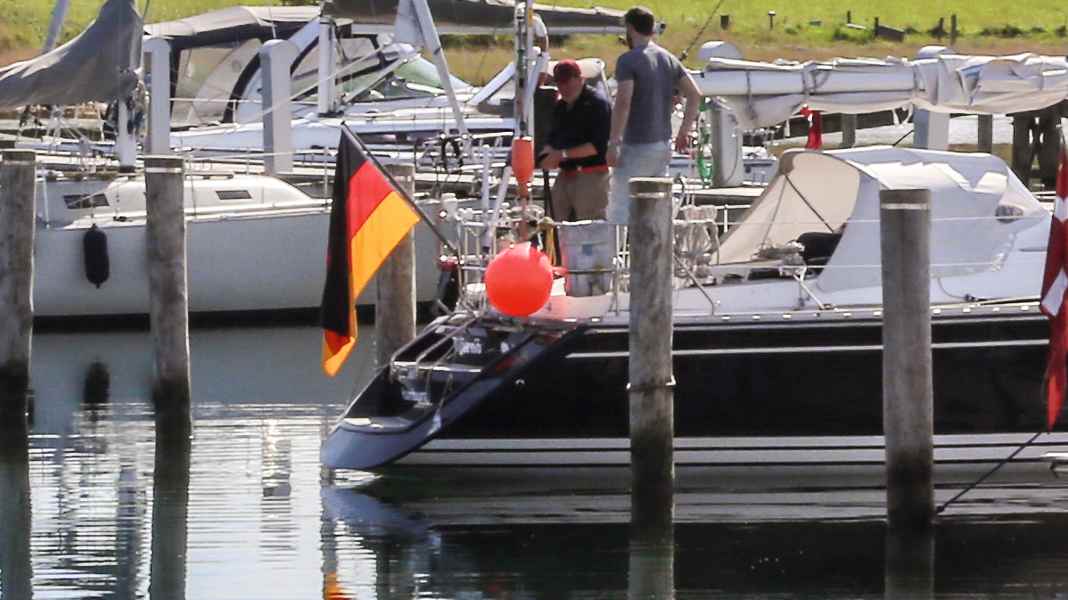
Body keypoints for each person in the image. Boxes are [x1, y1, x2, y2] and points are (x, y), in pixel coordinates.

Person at [606, 6, 701, 224]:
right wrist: (684, 131)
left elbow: (623, 102)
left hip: (635, 145)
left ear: (630, 28)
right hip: (662, 145)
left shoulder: (628, 60)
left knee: (620, 206)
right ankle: (655, 256)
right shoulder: (668, 59)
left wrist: (613, 142)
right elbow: (695, 94)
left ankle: (616, 256)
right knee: (654, 209)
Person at [538, 59, 612, 221]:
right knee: (552, 222)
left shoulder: (597, 104)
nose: (564, 88)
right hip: (565, 175)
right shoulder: (560, 107)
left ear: (580, 80)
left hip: (591, 176)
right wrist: (546, 154)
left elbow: (597, 146)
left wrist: (561, 154)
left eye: (568, 83)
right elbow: (554, 138)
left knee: (590, 226)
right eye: (560, 83)